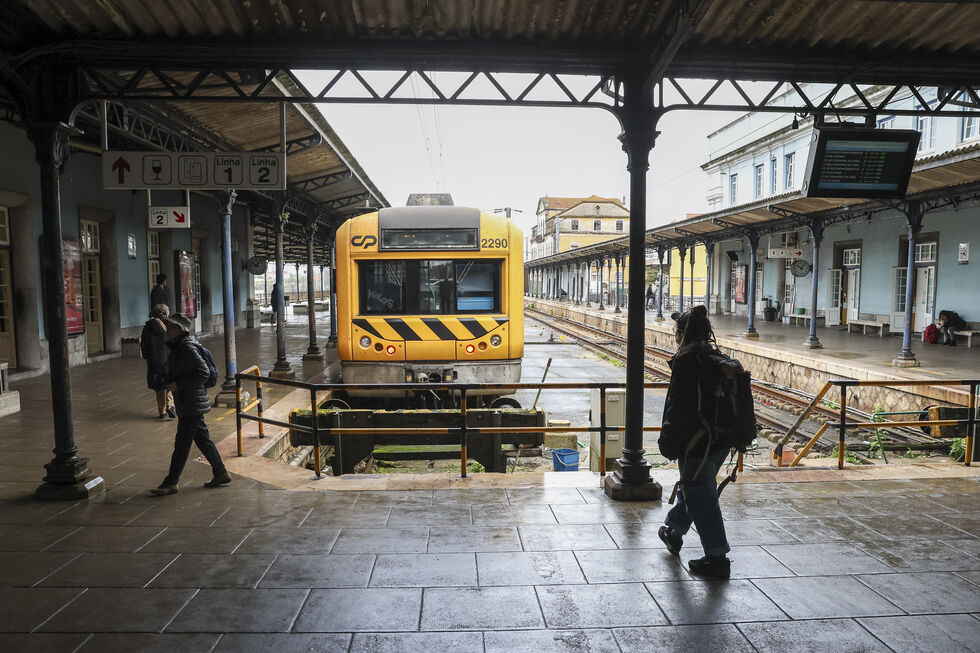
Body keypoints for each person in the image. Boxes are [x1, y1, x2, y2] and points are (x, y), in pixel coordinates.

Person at [657, 305, 732, 579]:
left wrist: (667, 442)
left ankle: (717, 557)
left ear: (681, 334)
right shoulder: (717, 357)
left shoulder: (687, 361)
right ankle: (673, 530)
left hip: (697, 442)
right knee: (696, 487)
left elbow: (677, 407)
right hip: (722, 440)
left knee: (701, 495)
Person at [151, 314, 230, 496]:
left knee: (182, 444)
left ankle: (171, 482)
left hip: (191, 401)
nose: (168, 330)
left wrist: (178, 385)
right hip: (189, 400)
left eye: (171, 327)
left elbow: (203, 372)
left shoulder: (186, 347)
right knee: (202, 439)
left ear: (180, 330)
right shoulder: (180, 345)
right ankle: (220, 472)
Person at [141, 304, 175, 419]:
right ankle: (170, 404)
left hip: (154, 361)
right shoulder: (169, 325)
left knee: (159, 386)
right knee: (170, 383)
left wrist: (148, 358)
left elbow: (144, 346)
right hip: (168, 359)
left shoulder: (147, 327)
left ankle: (162, 411)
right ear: (165, 313)